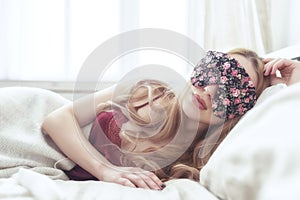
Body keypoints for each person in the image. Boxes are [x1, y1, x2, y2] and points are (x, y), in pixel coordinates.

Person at [41, 48, 270, 190]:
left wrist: (293, 83)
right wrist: (104, 169)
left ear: (239, 113)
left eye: (231, 91)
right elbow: (56, 119)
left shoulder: (198, 163)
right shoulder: (147, 90)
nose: (210, 90)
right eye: (214, 72)